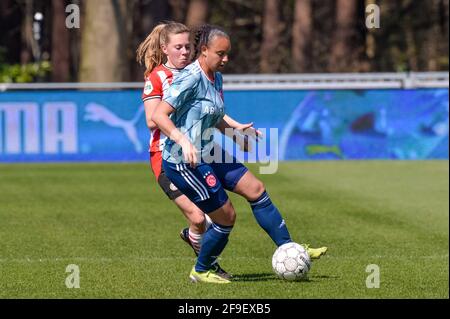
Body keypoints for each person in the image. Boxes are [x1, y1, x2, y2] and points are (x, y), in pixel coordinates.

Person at [153, 24, 327, 284]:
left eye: (227, 54)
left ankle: (289, 248)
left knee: (256, 189)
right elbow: (158, 115)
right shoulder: (190, 77)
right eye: (220, 53)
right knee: (226, 216)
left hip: (208, 150)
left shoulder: (216, 77)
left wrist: (236, 131)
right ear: (203, 50)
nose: (226, 59)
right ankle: (201, 270)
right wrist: (183, 141)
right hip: (183, 161)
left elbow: (212, 115)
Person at [136, 22, 256, 279]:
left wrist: (235, 130)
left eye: (188, 47)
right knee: (199, 217)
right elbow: (151, 119)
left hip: (198, 152)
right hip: (165, 154)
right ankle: (205, 266)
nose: (184, 52)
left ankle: (204, 262)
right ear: (164, 48)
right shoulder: (157, 77)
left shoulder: (195, 73)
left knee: (209, 217)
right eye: (178, 47)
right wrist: (175, 102)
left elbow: (213, 113)